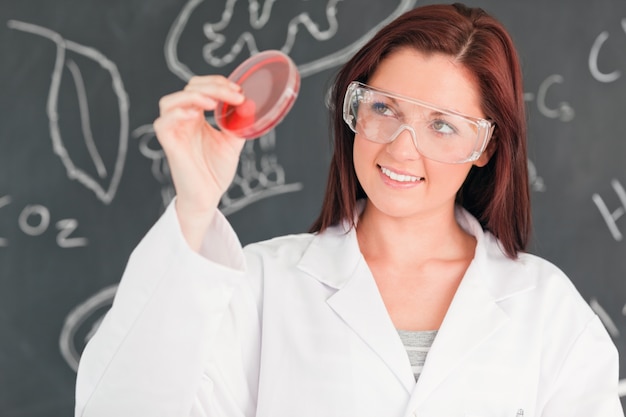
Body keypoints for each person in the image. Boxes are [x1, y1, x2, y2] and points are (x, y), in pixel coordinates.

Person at [74, 3, 624, 417]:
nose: (402, 148)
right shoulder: (264, 284)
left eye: (441, 125)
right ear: (353, 110)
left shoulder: (547, 311)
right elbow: (120, 405)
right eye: (383, 108)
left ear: (485, 147)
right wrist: (195, 204)